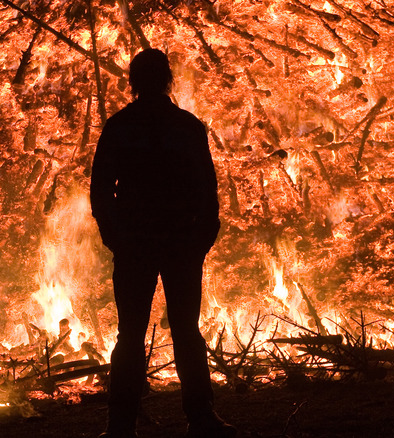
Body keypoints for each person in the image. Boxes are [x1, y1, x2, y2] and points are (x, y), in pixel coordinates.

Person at [90, 48, 237, 438]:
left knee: (131, 333)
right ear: (167, 79)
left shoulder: (121, 126)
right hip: (179, 240)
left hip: (139, 241)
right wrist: (202, 234)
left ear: (132, 82)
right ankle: (201, 417)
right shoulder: (186, 126)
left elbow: (101, 190)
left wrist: (115, 235)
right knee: (186, 330)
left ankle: (120, 424)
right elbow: (207, 188)